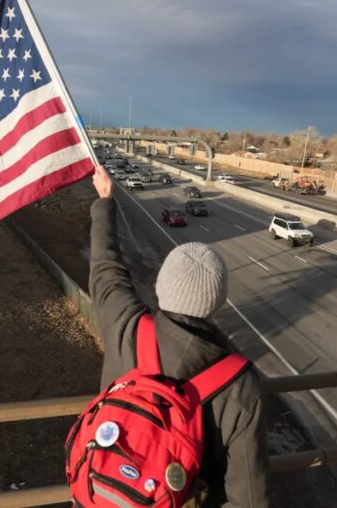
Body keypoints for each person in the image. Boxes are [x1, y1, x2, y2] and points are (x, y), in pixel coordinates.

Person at [88, 165, 270, 507]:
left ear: (160, 286)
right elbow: (248, 499)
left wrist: (105, 202)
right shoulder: (240, 385)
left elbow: (104, 269)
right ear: (217, 301)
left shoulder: (125, 325)